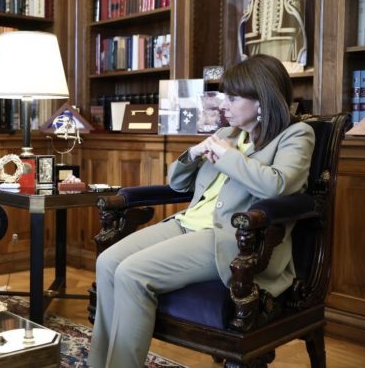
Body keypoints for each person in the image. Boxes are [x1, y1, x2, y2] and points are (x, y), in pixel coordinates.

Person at [88, 54, 315, 367]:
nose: (224, 105)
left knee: (132, 273)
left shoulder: (296, 135)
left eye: (233, 98)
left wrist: (229, 157)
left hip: (231, 237)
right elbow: (178, 183)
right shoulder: (227, 134)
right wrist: (193, 153)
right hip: (186, 223)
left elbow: (278, 186)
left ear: (261, 100)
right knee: (108, 262)